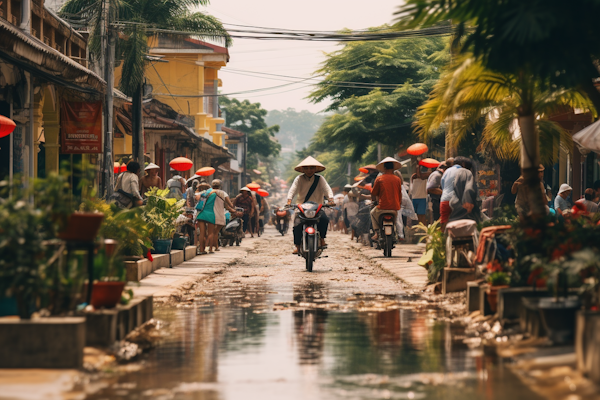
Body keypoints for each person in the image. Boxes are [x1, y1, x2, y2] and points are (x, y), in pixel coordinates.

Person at [287, 156, 334, 254]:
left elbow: (327, 189)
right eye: (306, 168)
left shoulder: (320, 179)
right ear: (303, 169)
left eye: (312, 168)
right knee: (297, 224)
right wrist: (289, 200)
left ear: (315, 169)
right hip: (302, 207)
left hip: (317, 207)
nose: (309, 170)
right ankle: (297, 246)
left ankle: (322, 239)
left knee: (324, 219)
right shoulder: (299, 179)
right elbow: (293, 190)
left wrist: (331, 199)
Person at [196, 179, 239, 253]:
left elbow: (197, 197)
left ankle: (201, 250)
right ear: (220, 186)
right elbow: (228, 205)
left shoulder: (206, 192)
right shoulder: (219, 193)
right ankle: (210, 249)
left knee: (202, 233)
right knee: (211, 233)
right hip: (210, 214)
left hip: (201, 213)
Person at [370, 157, 403, 242]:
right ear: (393, 168)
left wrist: (374, 201)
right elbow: (400, 194)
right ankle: (395, 232)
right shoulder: (397, 179)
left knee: (372, 213)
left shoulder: (379, 179)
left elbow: (374, 193)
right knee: (395, 220)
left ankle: (376, 233)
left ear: (384, 168)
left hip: (382, 207)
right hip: (394, 207)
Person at [448, 157, 480, 223]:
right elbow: (469, 188)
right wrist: (468, 200)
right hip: (466, 207)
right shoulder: (466, 172)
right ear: (464, 164)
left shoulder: (453, 172)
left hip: (455, 205)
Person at [440, 159, 463, 229]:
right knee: (458, 222)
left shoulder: (446, 172)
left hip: (445, 199)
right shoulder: (462, 171)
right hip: (457, 200)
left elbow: (442, 185)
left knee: (444, 220)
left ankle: (443, 238)